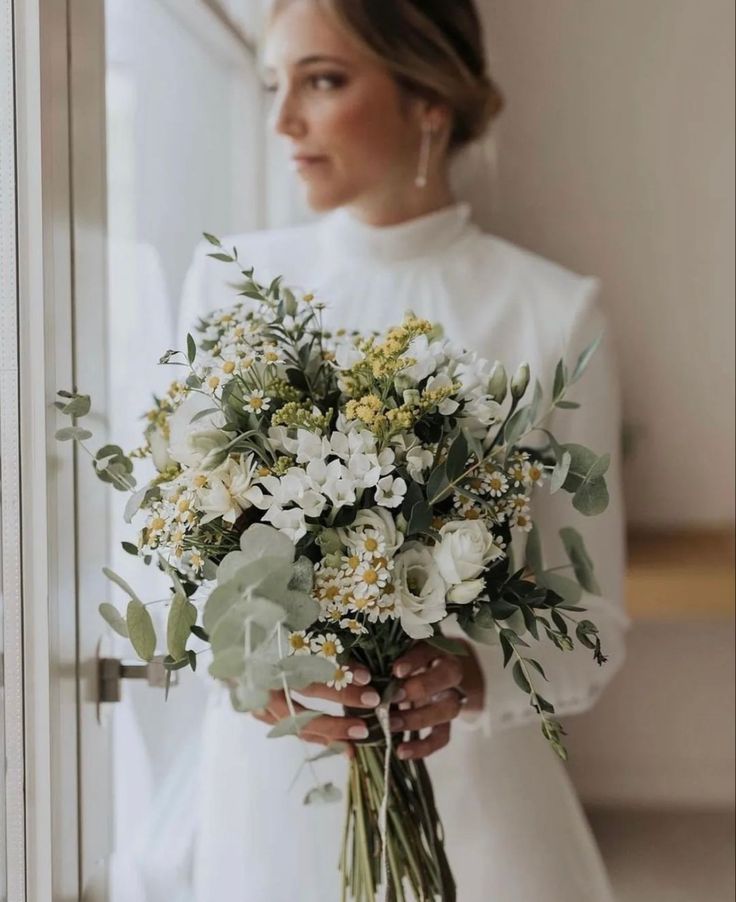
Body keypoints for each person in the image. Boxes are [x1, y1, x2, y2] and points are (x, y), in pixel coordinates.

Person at [179, 2, 631, 899]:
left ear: (429, 97)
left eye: (323, 80)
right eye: (277, 84)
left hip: (480, 820)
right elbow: (179, 572)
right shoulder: (225, 286)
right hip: (269, 806)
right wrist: (249, 664)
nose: (283, 121)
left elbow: (595, 624)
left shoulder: (552, 312)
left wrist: (469, 674)